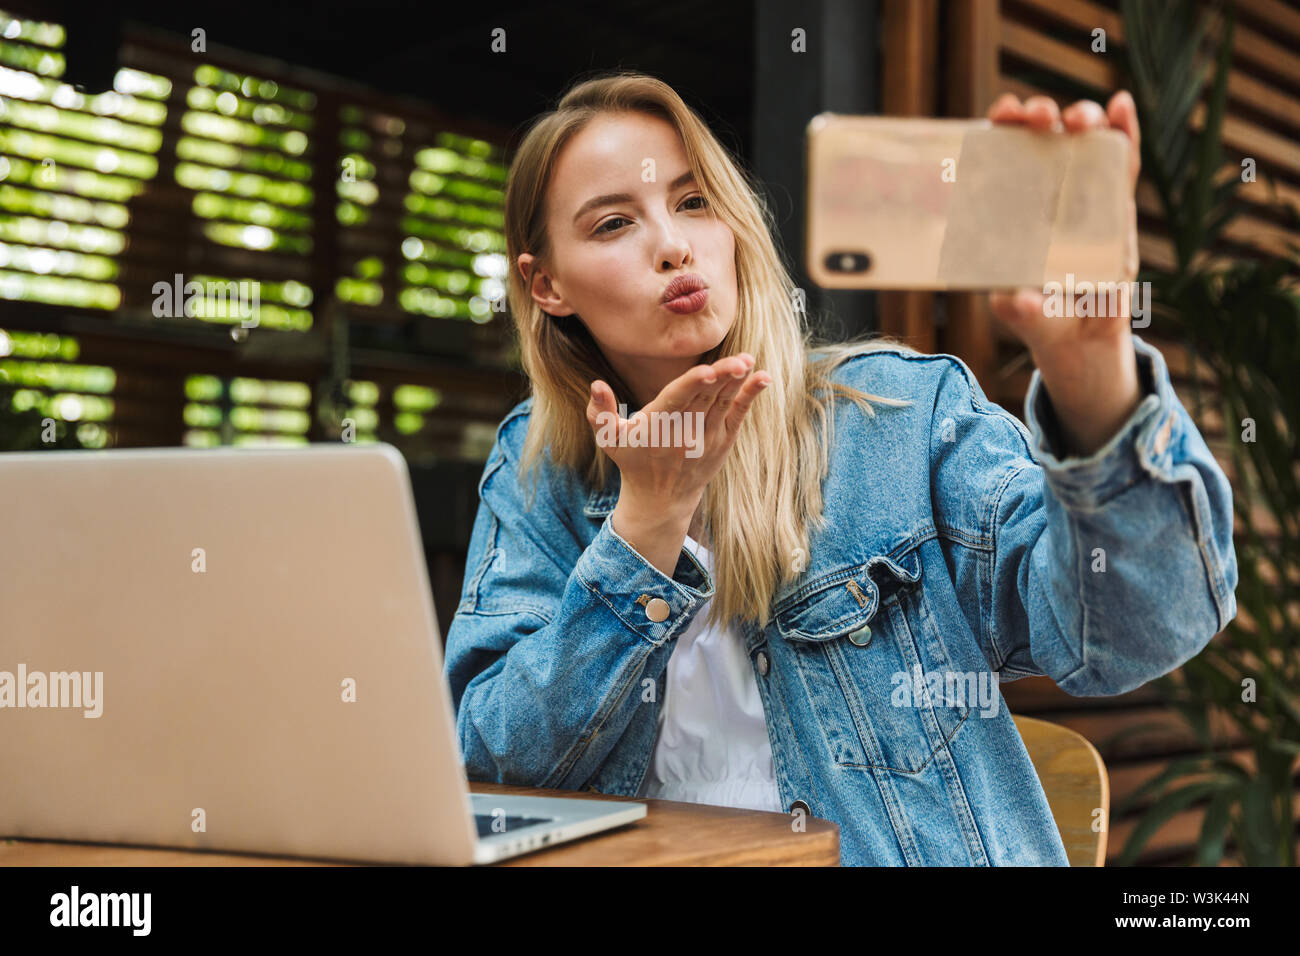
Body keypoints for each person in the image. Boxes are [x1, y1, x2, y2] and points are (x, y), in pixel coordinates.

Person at [442, 70, 1238, 865]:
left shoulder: (899, 418)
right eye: (614, 223)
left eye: (694, 202)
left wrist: (1091, 373)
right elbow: (492, 768)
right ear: (546, 286)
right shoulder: (535, 468)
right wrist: (644, 528)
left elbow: (1133, 636)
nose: (674, 244)